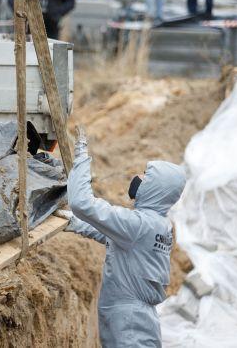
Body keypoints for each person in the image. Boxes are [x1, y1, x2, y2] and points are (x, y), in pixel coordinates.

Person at [57, 126, 186, 347]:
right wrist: (70, 222)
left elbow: (82, 203)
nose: (139, 177)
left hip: (129, 323)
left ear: (156, 188)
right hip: (136, 320)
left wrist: (81, 158)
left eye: (147, 176)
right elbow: (111, 236)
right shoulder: (159, 224)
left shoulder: (140, 224)